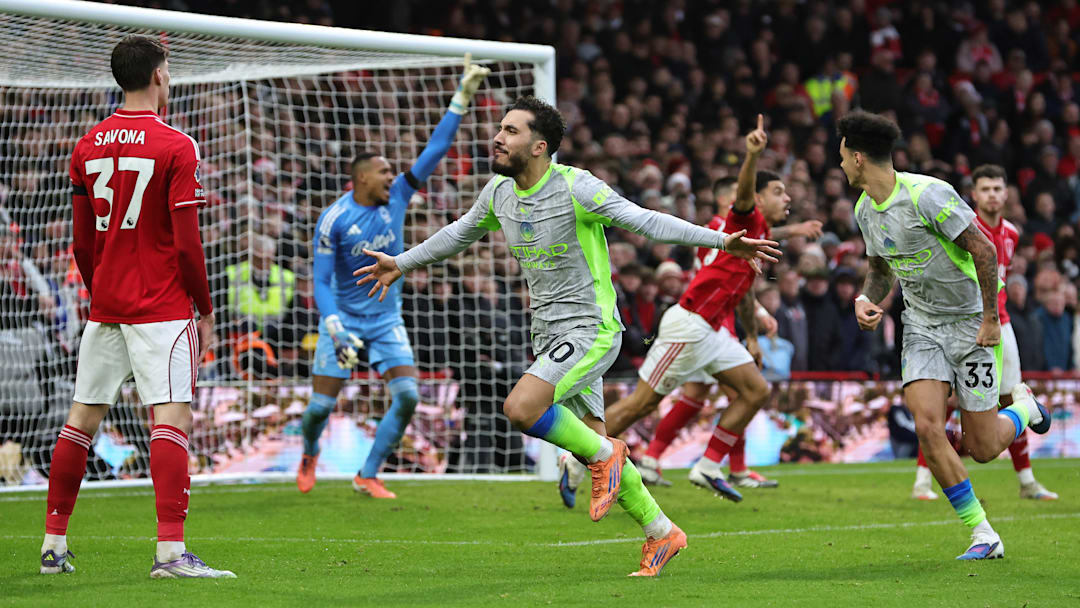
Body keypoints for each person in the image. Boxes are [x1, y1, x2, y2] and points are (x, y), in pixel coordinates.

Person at [355, 96, 781, 577]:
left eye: (511, 131)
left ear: (539, 146)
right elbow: (457, 233)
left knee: (521, 409)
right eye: (500, 128)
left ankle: (608, 455)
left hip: (591, 328)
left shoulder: (577, 187)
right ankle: (661, 532)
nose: (498, 137)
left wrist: (722, 239)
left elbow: (645, 220)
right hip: (548, 332)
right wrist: (401, 262)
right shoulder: (498, 193)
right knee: (590, 442)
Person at [41, 35, 233, 578]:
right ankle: (170, 554)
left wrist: (103, 287)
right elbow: (189, 244)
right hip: (163, 305)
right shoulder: (177, 145)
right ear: (157, 76)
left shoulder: (86, 144)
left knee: (81, 420)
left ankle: (53, 545)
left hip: (106, 303)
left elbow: (82, 243)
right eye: (168, 71)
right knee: (170, 421)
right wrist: (205, 306)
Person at [840, 110, 1051, 561]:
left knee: (983, 446)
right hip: (921, 326)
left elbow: (983, 247)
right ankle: (983, 532)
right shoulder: (864, 210)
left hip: (971, 321)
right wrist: (865, 299)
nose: (838, 164)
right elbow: (880, 269)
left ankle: (1025, 407)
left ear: (857, 158)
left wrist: (992, 319)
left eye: (841, 154)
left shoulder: (927, 194)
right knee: (927, 427)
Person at [296, 55, 490, 498]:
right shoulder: (334, 220)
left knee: (406, 396)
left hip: (386, 320)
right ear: (361, 177)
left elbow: (434, 152)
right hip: (342, 322)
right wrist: (333, 325)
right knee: (320, 407)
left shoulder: (397, 197)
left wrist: (462, 97)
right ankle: (309, 452)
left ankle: (367, 473)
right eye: (384, 171)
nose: (393, 177)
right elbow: (321, 282)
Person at [584, 115, 805, 500]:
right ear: (760, 196)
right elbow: (742, 201)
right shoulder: (743, 220)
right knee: (642, 403)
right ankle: (579, 454)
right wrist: (751, 156)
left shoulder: (764, 233)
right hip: (688, 324)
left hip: (714, 330)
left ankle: (708, 465)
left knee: (755, 390)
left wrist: (794, 232)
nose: (787, 199)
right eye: (779, 191)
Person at [910, 164, 1058, 501]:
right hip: (962, 325)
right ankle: (921, 480)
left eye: (997, 188)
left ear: (1006, 194)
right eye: (985, 189)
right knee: (945, 402)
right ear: (973, 194)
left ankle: (1027, 481)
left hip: (1001, 325)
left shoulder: (1012, 234)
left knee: (1012, 399)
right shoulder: (962, 228)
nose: (992, 194)